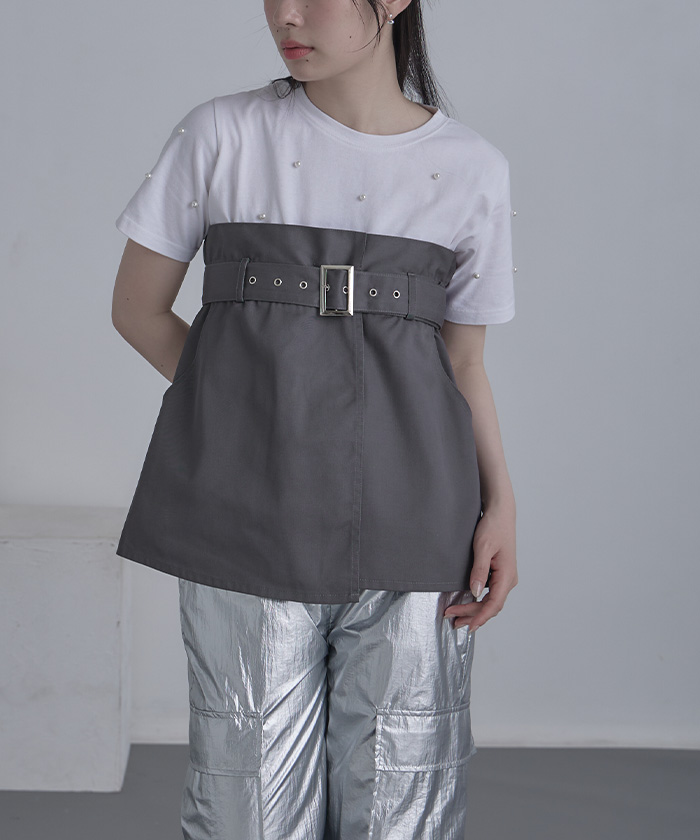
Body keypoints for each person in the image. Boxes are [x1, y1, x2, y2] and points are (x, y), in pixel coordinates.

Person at [111, 1, 519, 837]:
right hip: (246, 511)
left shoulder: (470, 167)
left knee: (403, 794)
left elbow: (465, 363)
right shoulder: (223, 134)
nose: (287, 15)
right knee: (246, 800)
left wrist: (501, 505)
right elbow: (137, 311)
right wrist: (245, 416)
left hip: (418, 509)